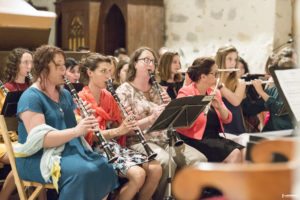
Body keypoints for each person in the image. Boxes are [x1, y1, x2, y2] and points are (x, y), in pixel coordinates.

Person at [15, 45, 118, 200]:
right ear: (43, 67)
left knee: (106, 167)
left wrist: (84, 119)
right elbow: (42, 139)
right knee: (83, 172)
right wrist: (78, 130)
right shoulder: (31, 97)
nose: (63, 70)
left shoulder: (64, 94)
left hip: (68, 151)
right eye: (59, 65)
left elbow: (70, 126)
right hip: (38, 157)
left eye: (64, 65)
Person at [116, 46, 207, 200]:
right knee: (166, 162)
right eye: (145, 60)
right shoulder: (123, 91)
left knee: (198, 160)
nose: (150, 64)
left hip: (165, 138)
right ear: (134, 64)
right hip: (139, 140)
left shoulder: (157, 88)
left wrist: (172, 107)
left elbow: (171, 119)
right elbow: (127, 129)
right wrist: (150, 119)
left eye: (153, 61)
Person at [78, 53, 162, 200]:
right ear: (90, 73)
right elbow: (88, 136)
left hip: (112, 146)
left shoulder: (108, 96)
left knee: (155, 168)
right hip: (93, 148)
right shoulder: (80, 99)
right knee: (138, 174)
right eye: (103, 71)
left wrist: (127, 121)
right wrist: (118, 130)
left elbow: (119, 125)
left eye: (109, 71)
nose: (108, 76)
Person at [176, 57, 245, 163]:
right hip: (195, 139)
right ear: (203, 76)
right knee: (234, 154)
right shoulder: (186, 93)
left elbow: (228, 118)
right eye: (215, 73)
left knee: (245, 151)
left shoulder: (214, 92)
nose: (218, 77)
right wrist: (199, 107)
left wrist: (219, 107)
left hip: (213, 137)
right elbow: (181, 126)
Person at [243, 49, 296, 132]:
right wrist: (245, 92)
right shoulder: (271, 90)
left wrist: (262, 92)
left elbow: (279, 109)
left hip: (288, 134)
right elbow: (251, 110)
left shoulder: (295, 92)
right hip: (270, 133)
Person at [215, 45, 246, 135]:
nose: (233, 63)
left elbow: (235, 101)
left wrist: (220, 85)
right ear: (220, 60)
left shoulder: (240, 82)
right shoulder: (211, 81)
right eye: (229, 59)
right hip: (217, 125)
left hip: (234, 126)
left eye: (235, 59)